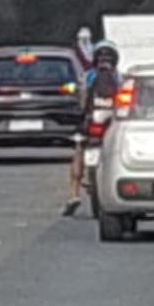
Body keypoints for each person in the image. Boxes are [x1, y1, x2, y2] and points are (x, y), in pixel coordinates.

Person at [64, 39, 120, 218]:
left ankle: (74, 194)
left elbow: (81, 100)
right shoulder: (120, 77)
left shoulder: (88, 76)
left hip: (89, 122)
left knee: (79, 149)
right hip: (112, 122)